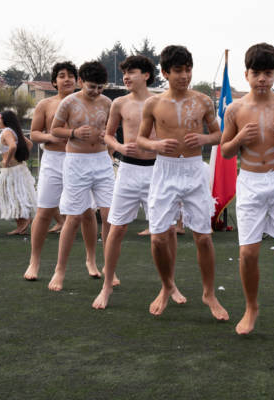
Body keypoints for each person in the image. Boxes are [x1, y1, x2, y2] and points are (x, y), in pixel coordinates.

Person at [137, 45, 228, 320]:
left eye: (188, 70)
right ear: (165, 72)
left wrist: (204, 138)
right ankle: (167, 286)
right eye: (178, 70)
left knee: (203, 238)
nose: (185, 75)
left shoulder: (203, 101)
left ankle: (209, 293)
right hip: (164, 171)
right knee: (158, 239)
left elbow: (219, 135)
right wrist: (155, 144)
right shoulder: (153, 103)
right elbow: (140, 140)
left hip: (193, 170)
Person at [220, 43, 274, 335]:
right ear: (246, 75)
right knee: (248, 253)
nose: (262, 79)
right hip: (250, 181)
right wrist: (239, 137)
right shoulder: (234, 109)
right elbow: (226, 152)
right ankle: (251, 307)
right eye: (256, 73)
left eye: (268, 73)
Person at [93, 55, 185, 309]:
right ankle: (107, 285)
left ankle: (170, 284)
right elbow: (108, 136)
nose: (126, 77)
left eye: (131, 72)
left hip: (159, 172)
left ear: (146, 75)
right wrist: (120, 147)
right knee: (116, 228)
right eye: (124, 72)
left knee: (168, 230)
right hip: (128, 171)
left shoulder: (163, 102)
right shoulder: (119, 103)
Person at [24, 62, 101, 281]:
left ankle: (91, 259)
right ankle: (34, 261)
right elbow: (34, 134)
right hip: (54, 161)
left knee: (87, 212)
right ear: (54, 82)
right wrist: (50, 136)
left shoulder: (89, 102)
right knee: (45, 212)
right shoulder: (45, 104)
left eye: (71, 76)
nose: (67, 79)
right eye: (61, 76)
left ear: (79, 81)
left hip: (80, 161)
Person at [48, 61, 115, 291]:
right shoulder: (69, 102)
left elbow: (113, 132)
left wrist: (109, 139)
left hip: (102, 162)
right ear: (81, 82)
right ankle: (60, 270)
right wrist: (74, 132)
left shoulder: (108, 103)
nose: (96, 91)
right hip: (76, 162)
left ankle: (109, 268)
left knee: (110, 216)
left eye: (100, 87)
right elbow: (55, 130)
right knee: (74, 217)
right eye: (91, 86)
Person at [0, 111, 37, 234]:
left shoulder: (7, 131)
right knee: (12, 196)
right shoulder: (14, 131)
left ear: (4, 119)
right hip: (16, 168)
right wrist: (19, 156)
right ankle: (21, 226)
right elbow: (29, 144)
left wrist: (7, 161)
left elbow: (12, 146)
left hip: (11, 170)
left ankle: (25, 220)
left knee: (3, 196)